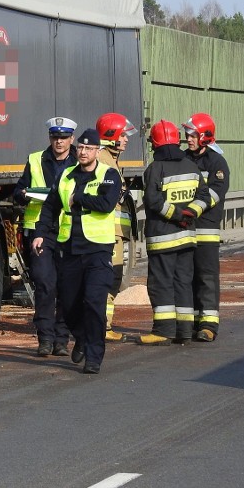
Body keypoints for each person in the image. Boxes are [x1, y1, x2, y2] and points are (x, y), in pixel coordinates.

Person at [32, 128, 122, 374]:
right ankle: (81, 337)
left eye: (88, 148)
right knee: (69, 306)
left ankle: (94, 357)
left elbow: (106, 204)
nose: (83, 152)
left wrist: (79, 198)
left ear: (97, 151)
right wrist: (40, 233)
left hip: (97, 251)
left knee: (94, 304)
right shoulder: (65, 175)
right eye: (80, 148)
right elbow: (50, 207)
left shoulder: (109, 175)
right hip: (69, 249)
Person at [139, 120, 209, 345]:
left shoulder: (155, 168)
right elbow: (205, 197)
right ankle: (185, 330)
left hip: (163, 238)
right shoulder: (191, 166)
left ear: (155, 143)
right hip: (188, 236)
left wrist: (177, 216)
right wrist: (189, 214)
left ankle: (163, 329)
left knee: (161, 283)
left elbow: (153, 200)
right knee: (183, 282)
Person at [13, 116, 77, 357]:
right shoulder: (36, 160)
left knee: (66, 286)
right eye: (54, 137)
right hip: (40, 232)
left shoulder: (77, 162)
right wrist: (25, 194)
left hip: (69, 231)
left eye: (63, 137)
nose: (58, 141)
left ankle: (62, 339)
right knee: (44, 283)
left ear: (71, 139)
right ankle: (45, 339)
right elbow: (18, 191)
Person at [183, 113, 230, 342]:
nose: (187, 138)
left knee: (206, 276)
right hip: (183, 227)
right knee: (186, 275)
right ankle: (190, 323)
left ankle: (209, 324)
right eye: (187, 134)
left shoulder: (216, 163)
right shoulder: (183, 159)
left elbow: (214, 193)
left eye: (192, 134)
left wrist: (192, 209)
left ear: (204, 136)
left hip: (205, 229)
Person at [95, 113, 137, 342]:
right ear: (111, 136)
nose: (126, 139)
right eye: (123, 135)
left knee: (113, 279)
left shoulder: (111, 159)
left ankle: (105, 325)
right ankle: (102, 326)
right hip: (107, 232)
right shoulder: (103, 160)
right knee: (107, 279)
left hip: (115, 232)